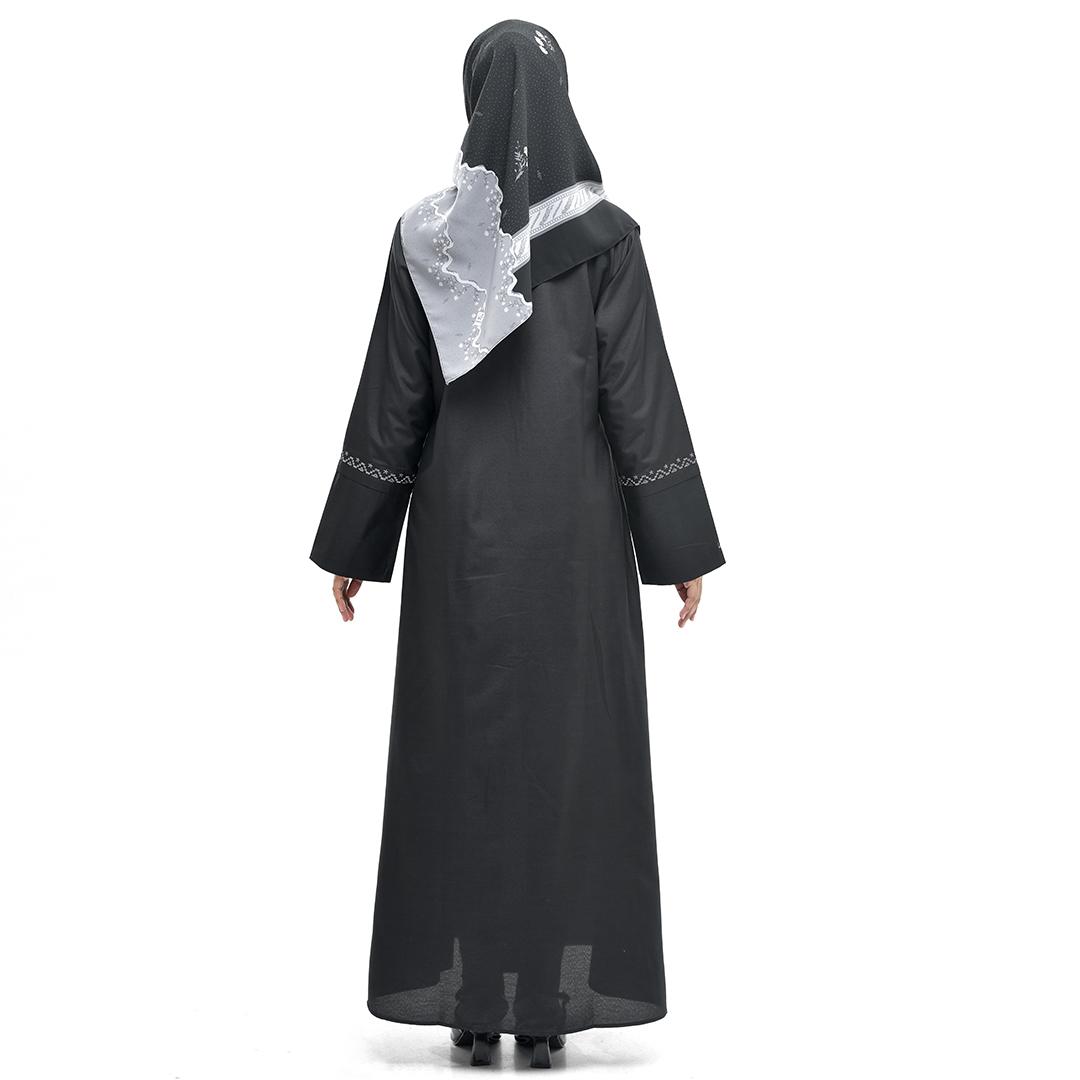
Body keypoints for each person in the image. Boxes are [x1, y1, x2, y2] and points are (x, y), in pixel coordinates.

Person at [311, 20, 725, 1069]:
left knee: (464, 760)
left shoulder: (428, 240)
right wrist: (676, 547)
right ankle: (548, 1013)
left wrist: (358, 537)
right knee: (569, 765)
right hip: (575, 545)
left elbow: (395, 399)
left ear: (474, 102)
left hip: (460, 545)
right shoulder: (608, 240)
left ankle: (471, 1005)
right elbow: (637, 396)